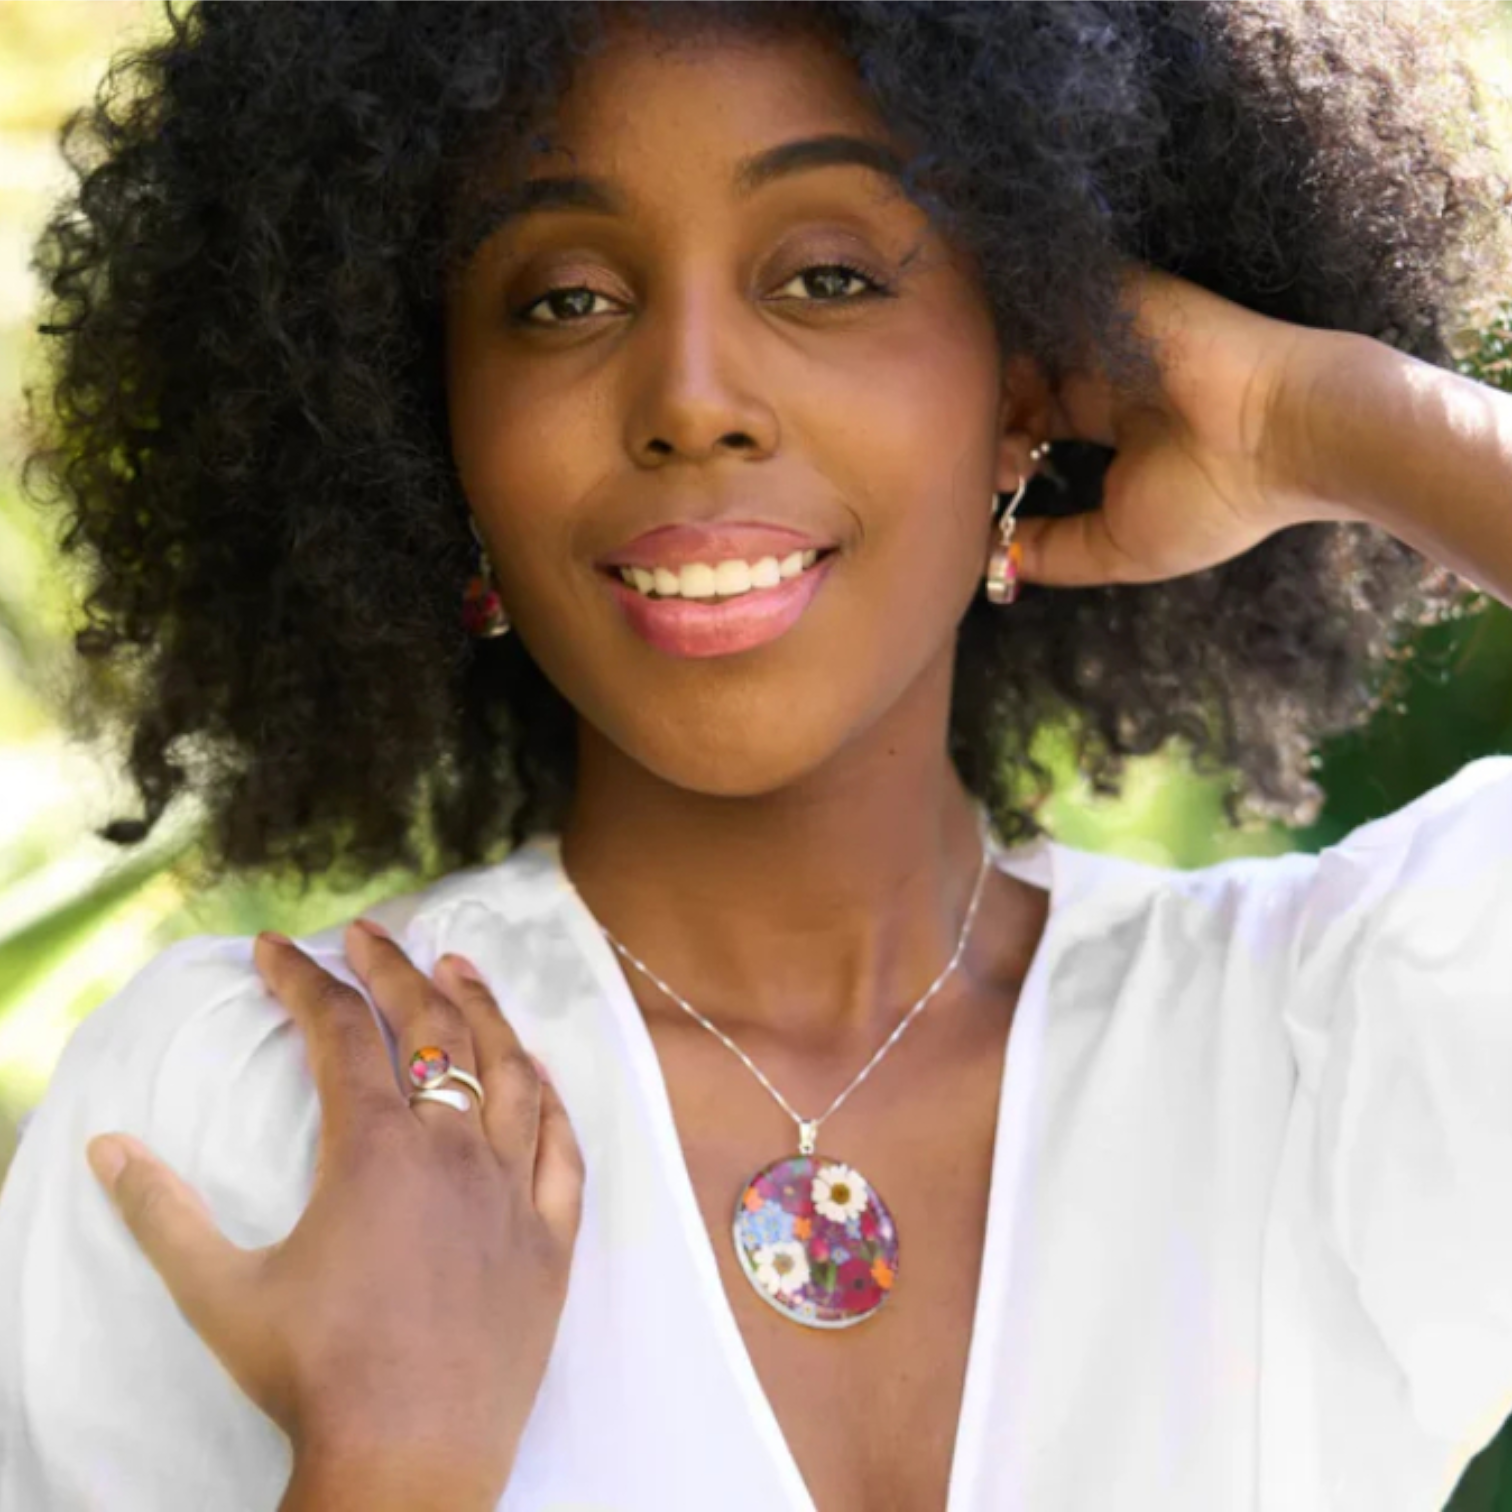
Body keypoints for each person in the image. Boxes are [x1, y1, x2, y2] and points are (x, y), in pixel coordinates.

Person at [1, 0, 1511, 1507]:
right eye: (565, 300)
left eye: (830, 275)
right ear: (430, 435)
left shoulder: (1348, 1045)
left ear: (1027, 394)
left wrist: (1323, 418)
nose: (692, 400)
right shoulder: (248, 1117)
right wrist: (394, 1461)